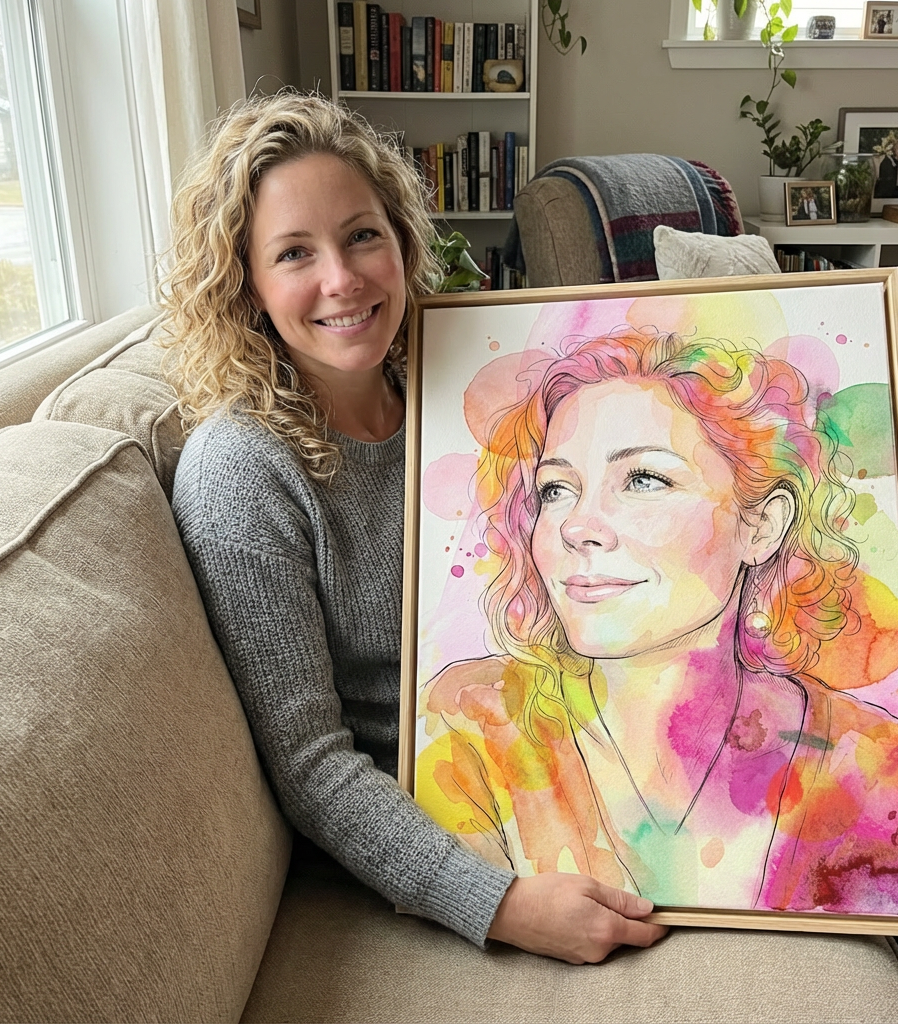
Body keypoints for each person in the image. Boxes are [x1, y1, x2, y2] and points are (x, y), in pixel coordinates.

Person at [161, 91, 666, 967]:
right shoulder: (240, 470)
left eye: (361, 235)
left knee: (893, 775)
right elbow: (311, 765)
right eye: (293, 253)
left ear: (401, 243)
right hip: (471, 815)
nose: (342, 279)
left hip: (596, 737)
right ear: (246, 286)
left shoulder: (463, 401)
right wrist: (501, 904)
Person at [419, 330, 898, 916]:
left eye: (643, 480)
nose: (575, 526)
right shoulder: (473, 721)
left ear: (760, 526)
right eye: (556, 489)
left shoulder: (870, 763)